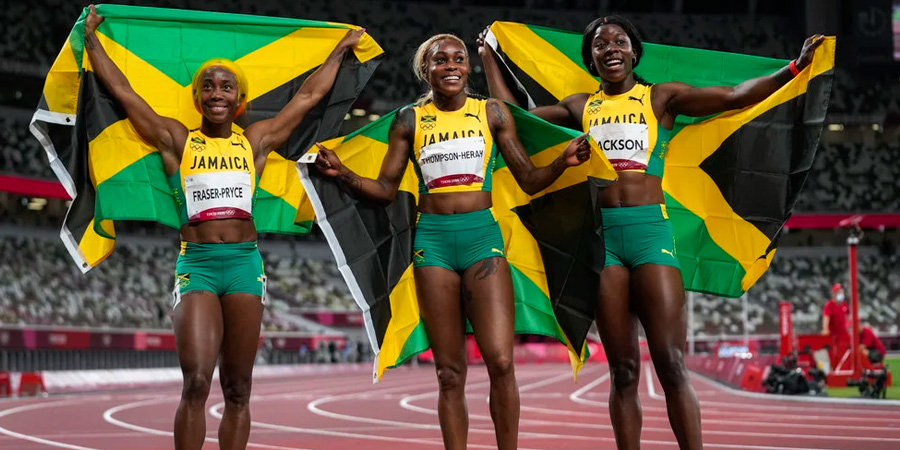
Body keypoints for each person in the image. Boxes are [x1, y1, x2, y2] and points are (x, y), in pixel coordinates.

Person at [478, 15, 823, 450]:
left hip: (650, 236)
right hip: (604, 241)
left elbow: (735, 95)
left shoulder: (661, 98)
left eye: (619, 42)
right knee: (622, 372)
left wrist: (793, 68)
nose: (610, 49)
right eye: (600, 45)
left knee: (672, 364)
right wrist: (488, 58)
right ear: (590, 60)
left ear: (634, 52)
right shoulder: (579, 107)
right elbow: (514, 120)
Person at [83, 6, 363, 450]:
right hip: (197, 265)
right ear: (197, 98)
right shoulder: (177, 140)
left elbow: (307, 97)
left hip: (244, 266)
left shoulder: (255, 141)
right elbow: (123, 92)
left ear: (239, 100)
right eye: (208, 87)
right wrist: (91, 42)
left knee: (238, 389)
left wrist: (340, 50)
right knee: (196, 381)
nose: (217, 93)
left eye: (226, 87)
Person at [315, 33, 590, 450]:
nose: (451, 66)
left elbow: (529, 179)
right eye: (440, 60)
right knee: (449, 373)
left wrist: (562, 162)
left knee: (501, 362)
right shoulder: (409, 120)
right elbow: (386, 190)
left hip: (483, 240)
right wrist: (344, 175)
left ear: (467, 67)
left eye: (458, 59)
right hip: (434, 244)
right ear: (425, 70)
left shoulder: (491, 112)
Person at [822, 283, 851, 351]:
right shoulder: (829, 305)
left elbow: (848, 317)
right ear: (834, 293)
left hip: (844, 335)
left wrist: (849, 328)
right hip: (834, 336)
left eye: (842, 292)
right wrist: (825, 330)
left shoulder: (844, 304)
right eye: (839, 292)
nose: (841, 294)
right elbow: (826, 319)